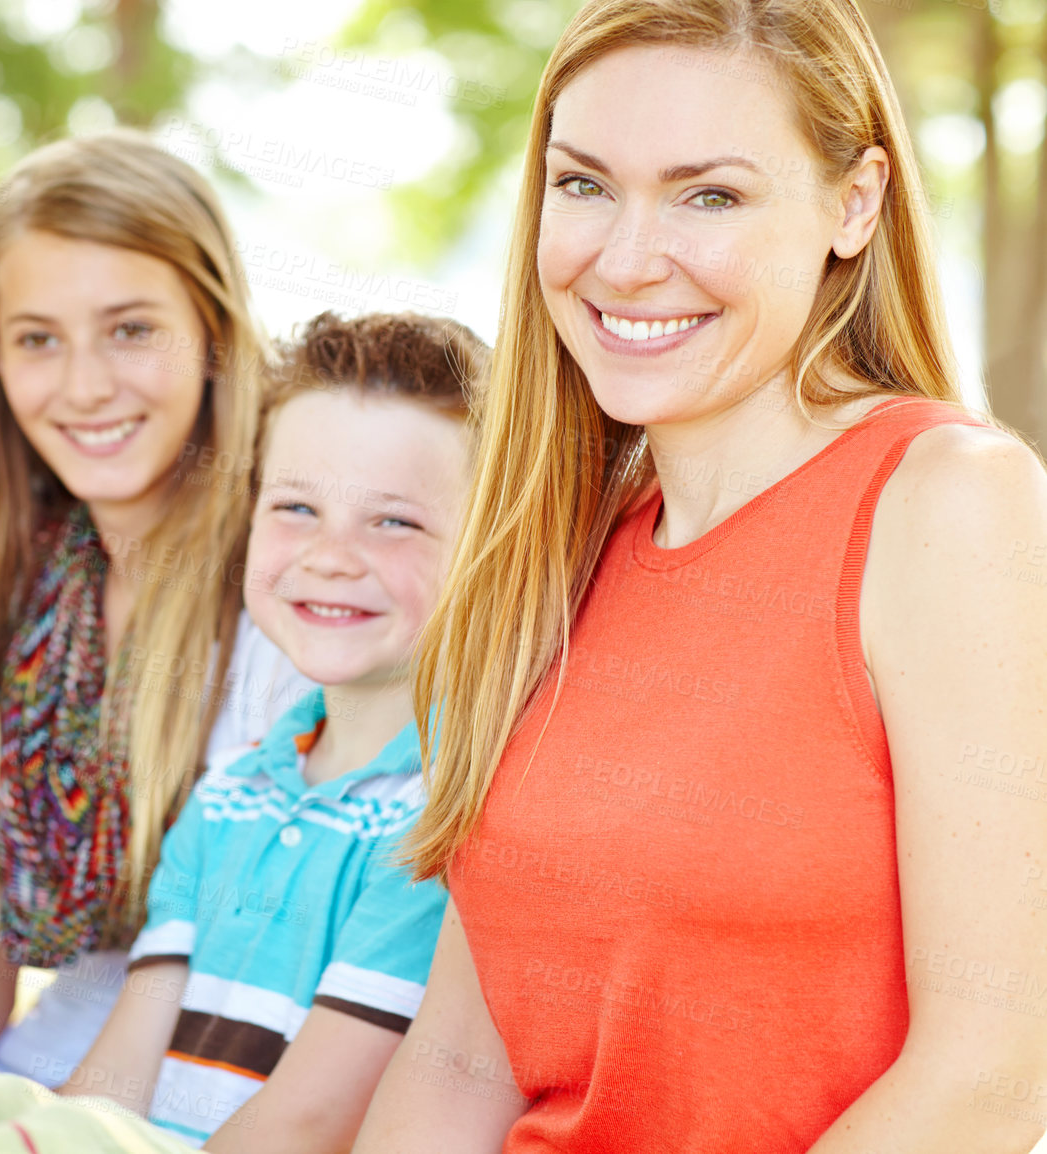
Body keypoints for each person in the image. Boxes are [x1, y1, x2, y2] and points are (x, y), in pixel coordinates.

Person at [353, 0, 1047, 1151]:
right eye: (582, 185)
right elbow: (461, 1058)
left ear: (853, 202)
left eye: (707, 194)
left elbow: (993, 1071)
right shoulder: (556, 546)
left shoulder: (950, 503)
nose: (624, 260)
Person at [0, 132, 312, 1078]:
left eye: (131, 329)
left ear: (214, 330)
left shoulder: (297, 576)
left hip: (215, 1093)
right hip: (42, 1077)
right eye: (37, 339)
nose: (85, 386)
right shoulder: (26, 585)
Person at [60, 312, 486, 1150]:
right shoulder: (228, 799)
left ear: (489, 547)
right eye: (296, 508)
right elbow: (112, 1083)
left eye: (394, 521)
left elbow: (310, 1119)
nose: (330, 556)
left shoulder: (445, 820)